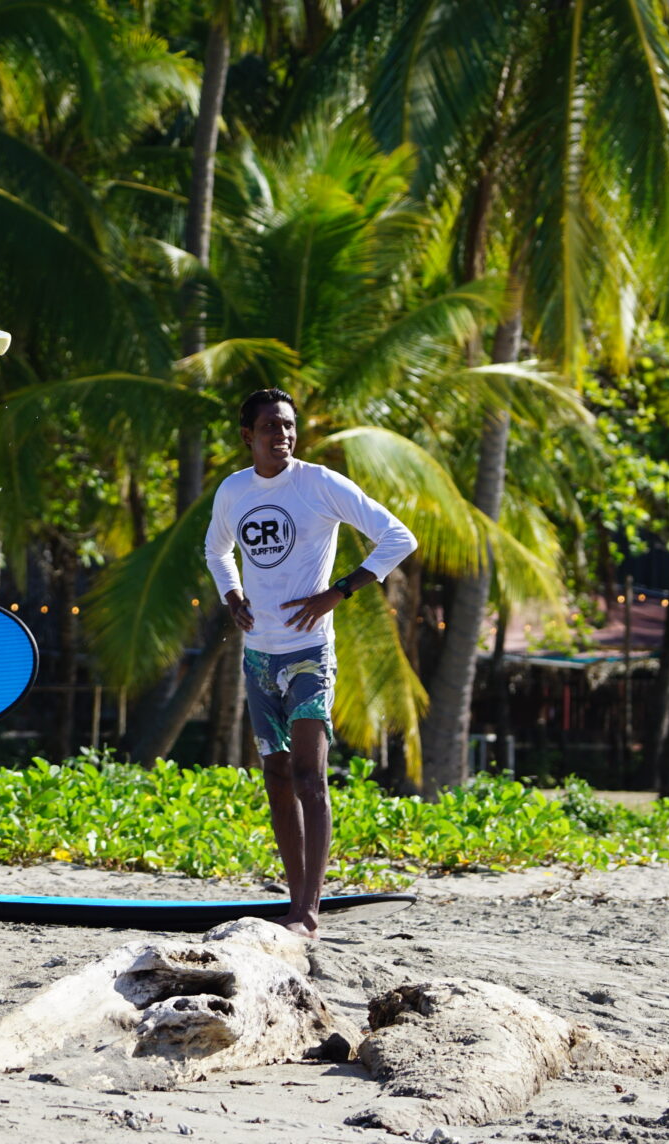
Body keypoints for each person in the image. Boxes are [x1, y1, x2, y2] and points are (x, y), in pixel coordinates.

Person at [204, 388, 417, 938]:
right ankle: (294, 902)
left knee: (309, 776)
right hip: (258, 656)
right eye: (272, 427)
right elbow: (216, 550)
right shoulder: (234, 491)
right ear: (248, 435)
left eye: (290, 426)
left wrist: (339, 591)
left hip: (308, 654)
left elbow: (398, 536)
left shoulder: (317, 482)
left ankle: (308, 911)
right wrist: (231, 595)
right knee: (276, 775)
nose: (284, 436)